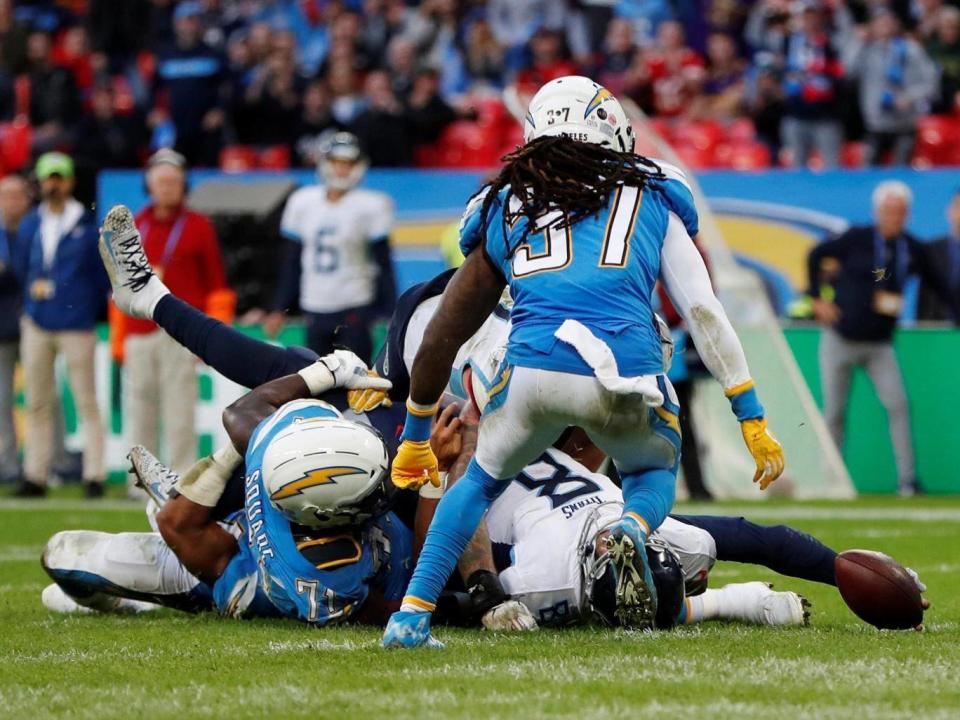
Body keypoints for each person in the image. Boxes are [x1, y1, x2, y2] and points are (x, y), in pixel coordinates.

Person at [382, 76, 784, 648]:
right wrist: (750, 412)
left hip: (529, 375)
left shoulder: (504, 204)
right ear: (615, 131)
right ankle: (625, 529)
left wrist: (417, 433)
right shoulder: (656, 192)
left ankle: (411, 617)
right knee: (649, 472)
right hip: (621, 374)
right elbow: (703, 310)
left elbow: (446, 329)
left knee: (475, 483)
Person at [807, 181, 960, 495]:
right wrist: (815, 298)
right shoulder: (856, 238)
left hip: (880, 343)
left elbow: (941, 285)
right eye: (889, 210)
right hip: (840, 338)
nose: (894, 217)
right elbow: (815, 254)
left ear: (907, 214)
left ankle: (908, 480)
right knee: (834, 411)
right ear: (878, 212)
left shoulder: (913, 248)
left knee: (898, 406)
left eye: (900, 211)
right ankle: (830, 481)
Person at [119, 149, 230, 479]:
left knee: (180, 408)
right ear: (149, 186)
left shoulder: (199, 226)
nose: (166, 188)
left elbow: (217, 284)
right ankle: (139, 475)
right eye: (160, 182)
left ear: (184, 186)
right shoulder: (135, 225)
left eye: (173, 182)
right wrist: (118, 337)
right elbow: (119, 286)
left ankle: (180, 476)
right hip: (139, 331)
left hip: (183, 332)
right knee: (140, 406)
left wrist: (214, 338)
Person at [13, 153, 107, 498]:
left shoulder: (84, 223)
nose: (53, 184)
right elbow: (24, 269)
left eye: (58, 177)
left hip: (75, 322)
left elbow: (100, 277)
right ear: (40, 182)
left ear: (68, 181)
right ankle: (35, 474)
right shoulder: (31, 223)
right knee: (37, 400)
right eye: (48, 178)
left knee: (86, 400)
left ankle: (93, 473)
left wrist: (84, 309)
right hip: (38, 320)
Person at [265, 132, 396, 363]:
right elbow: (292, 260)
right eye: (336, 162)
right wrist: (279, 307)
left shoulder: (372, 205)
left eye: (348, 163)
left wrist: (392, 313)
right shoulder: (302, 202)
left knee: (355, 383)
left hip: (354, 304)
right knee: (317, 381)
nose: (341, 170)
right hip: (314, 305)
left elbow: (383, 263)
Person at [844, 8, 938, 166]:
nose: (884, 26)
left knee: (901, 172)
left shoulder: (911, 49)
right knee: (869, 173)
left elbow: (931, 81)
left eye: (888, 21)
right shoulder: (867, 50)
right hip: (875, 123)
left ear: (897, 24)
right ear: (872, 26)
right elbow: (848, 72)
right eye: (880, 22)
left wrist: (910, 96)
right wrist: (857, 42)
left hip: (904, 123)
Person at [150, 1, 228, 166]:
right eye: (185, 20)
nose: (189, 26)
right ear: (176, 24)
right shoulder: (166, 55)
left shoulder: (213, 54)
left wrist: (220, 110)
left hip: (206, 130)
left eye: (193, 20)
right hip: (175, 129)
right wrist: (154, 111)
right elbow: (153, 88)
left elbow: (228, 86)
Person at [0, 175, 31, 485]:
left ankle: (47, 462)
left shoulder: (36, 228)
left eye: (16, 196)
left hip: (34, 322)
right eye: (6, 196)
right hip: (2, 326)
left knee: (43, 398)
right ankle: (6, 463)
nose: (11, 202)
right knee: (2, 399)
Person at [916, 189, 960, 322]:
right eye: (958, 206)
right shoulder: (931, 249)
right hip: (937, 327)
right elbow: (925, 293)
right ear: (949, 211)